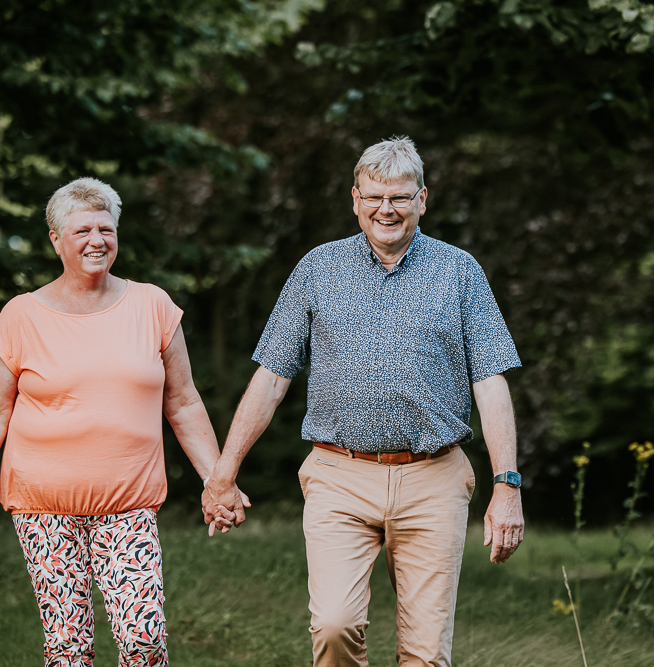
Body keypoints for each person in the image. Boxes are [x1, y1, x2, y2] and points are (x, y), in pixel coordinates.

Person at [202, 137, 524, 667]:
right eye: (374, 197)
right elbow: (271, 377)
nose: (386, 209)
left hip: (434, 476)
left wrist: (506, 484)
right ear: (355, 199)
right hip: (338, 474)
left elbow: (490, 382)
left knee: (425, 652)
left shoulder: (460, 272)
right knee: (334, 625)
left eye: (399, 197)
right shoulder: (317, 269)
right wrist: (224, 473)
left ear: (423, 199)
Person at [0, 177, 240, 667]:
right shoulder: (22, 315)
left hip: (128, 503)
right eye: (82, 231)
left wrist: (217, 480)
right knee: (69, 647)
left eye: (106, 229)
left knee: (144, 639)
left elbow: (183, 402)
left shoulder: (153, 305)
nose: (97, 240)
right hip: (43, 505)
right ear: (56, 239)